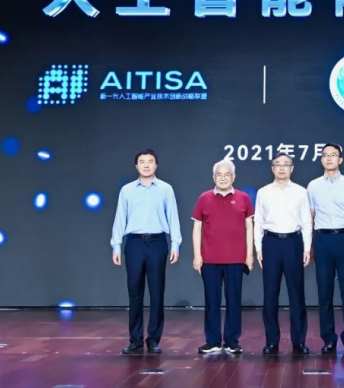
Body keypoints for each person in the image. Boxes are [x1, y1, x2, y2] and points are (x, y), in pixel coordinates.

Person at [110, 148, 182, 355]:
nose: (146, 165)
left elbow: (173, 217)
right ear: (136, 166)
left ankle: (154, 339)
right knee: (134, 292)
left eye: (150, 161)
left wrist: (175, 244)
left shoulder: (166, 189)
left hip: (157, 243)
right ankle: (135, 340)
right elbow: (120, 218)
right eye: (142, 162)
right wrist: (116, 245)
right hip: (134, 243)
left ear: (156, 165)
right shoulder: (127, 190)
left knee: (157, 291)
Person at [307, 143, 344, 355]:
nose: (329, 158)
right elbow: (310, 217)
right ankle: (329, 339)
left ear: (340, 159)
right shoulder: (313, 186)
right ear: (321, 159)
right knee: (324, 293)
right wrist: (309, 245)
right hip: (322, 240)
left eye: (333, 155)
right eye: (325, 155)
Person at [191, 159, 254, 355]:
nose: (223, 178)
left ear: (234, 177)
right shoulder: (204, 198)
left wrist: (249, 255)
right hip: (209, 259)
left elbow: (249, 227)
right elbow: (197, 228)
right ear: (214, 177)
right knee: (212, 301)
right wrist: (197, 255)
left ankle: (232, 341)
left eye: (227, 174)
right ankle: (212, 341)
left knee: (234, 300)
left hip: (236, 259)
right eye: (219, 174)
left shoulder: (243, 198)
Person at [254, 152, 312, 355]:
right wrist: (258, 248)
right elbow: (258, 222)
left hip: (293, 243)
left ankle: (299, 341)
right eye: (277, 164)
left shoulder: (301, 192)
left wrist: (306, 248)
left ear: (292, 168)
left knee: (297, 295)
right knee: (270, 295)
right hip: (270, 243)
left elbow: (307, 221)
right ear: (272, 168)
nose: (281, 167)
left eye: (285, 164)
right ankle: (272, 341)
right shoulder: (263, 192)